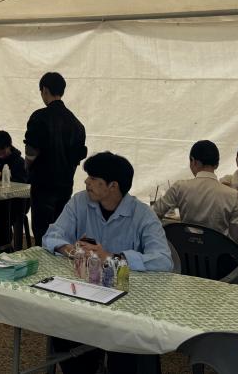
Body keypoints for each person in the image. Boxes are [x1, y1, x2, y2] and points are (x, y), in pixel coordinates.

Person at [42, 151, 172, 374]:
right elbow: (52, 235)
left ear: (113, 186)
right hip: (83, 292)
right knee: (62, 327)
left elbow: (163, 260)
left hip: (128, 302)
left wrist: (112, 257)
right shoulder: (80, 202)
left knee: (127, 353)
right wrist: (71, 250)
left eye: (93, 178)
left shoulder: (142, 214)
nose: (86, 182)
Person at [24, 71, 87, 245]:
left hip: (43, 185)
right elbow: (77, 157)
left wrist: (27, 166)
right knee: (59, 234)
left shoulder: (40, 117)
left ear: (44, 90)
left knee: (41, 232)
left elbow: (31, 151)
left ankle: (41, 262)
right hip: (65, 186)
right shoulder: (77, 124)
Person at [153, 140, 238, 244]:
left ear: (193, 161)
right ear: (217, 164)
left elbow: (153, 213)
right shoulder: (233, 195)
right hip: (218, 251)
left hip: (185, 249)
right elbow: (236, 238)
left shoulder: (180, 187)